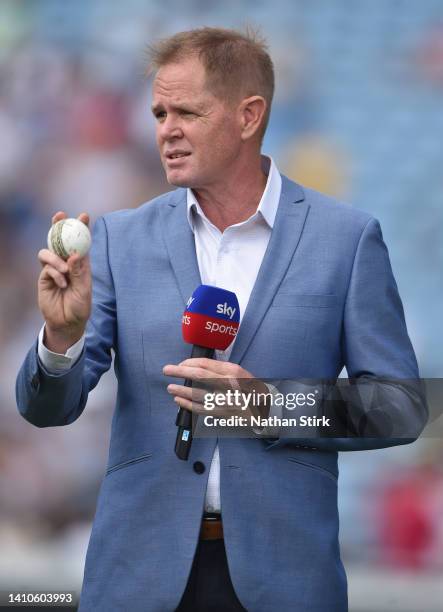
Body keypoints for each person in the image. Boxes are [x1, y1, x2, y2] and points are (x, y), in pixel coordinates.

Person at [16, 27, 426, 612]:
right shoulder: (116, 240)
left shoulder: (347, 240)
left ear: (248, 116)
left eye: (187, 111)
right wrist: (62, 337)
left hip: (285, 583)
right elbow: (46, 409)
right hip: (137, 579)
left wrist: (268, 405)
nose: (166, 130)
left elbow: (401, 406)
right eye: (159, 112)